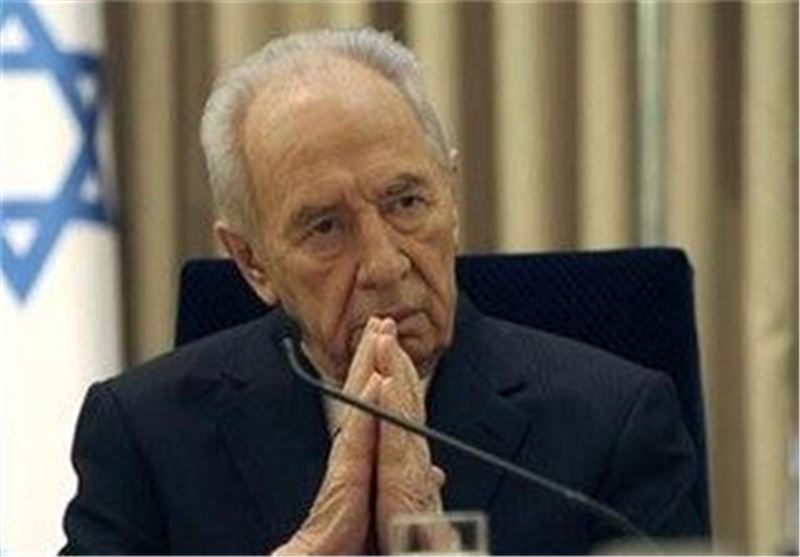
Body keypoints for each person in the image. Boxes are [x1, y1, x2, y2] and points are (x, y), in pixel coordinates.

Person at [61, 28, 707, 555]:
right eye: (325, 227)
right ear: (252, 261)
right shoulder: (145, 433)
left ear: (450, 195)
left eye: (406, 202)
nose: (384, 263)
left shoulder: (612, 423)